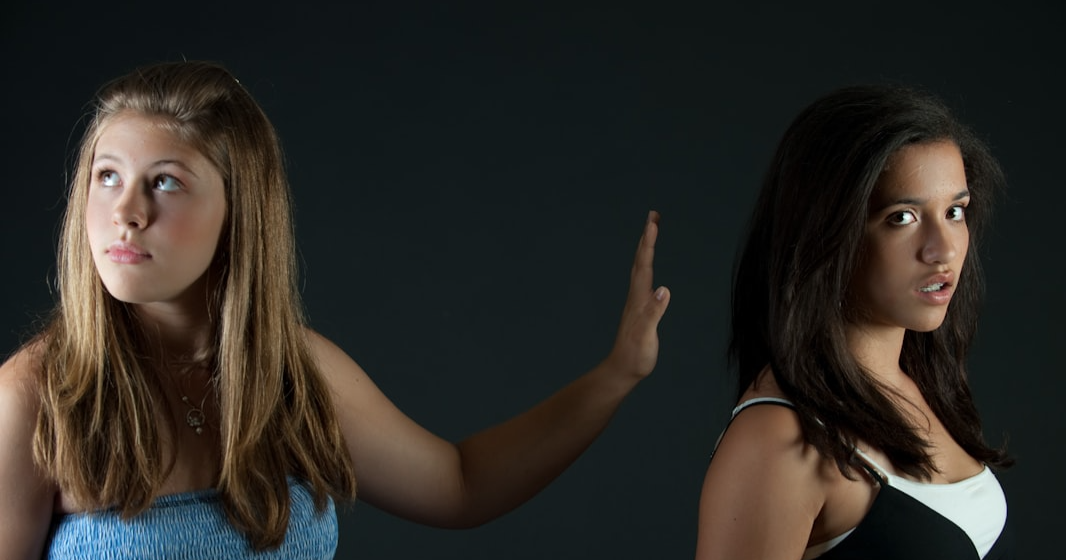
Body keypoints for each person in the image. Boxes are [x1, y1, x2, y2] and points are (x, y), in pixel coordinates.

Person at [0, 60, 671, 559]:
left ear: (240, 210)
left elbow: (461, 485)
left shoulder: (296, 374)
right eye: (107, 176)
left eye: (166, 182)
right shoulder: (32, 399)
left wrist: (615, 376)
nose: (126, 212)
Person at [694, 85, 1013, 559]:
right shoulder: (780, 440)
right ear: (826, 230)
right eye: (902, 217)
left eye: (954, 211)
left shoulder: (920, 383)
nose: (943, 250)